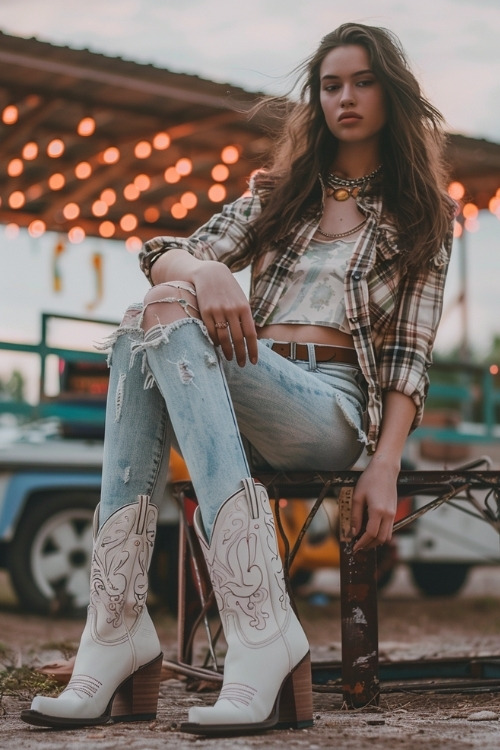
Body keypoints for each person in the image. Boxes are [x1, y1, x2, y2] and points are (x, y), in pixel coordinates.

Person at [21, 21, 453, 736]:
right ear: (315, 100)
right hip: (249, 377)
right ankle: (124, 628)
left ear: (392, 92)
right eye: (331, 85)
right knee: (146, 320)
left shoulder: (422, 212)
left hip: (336, 407)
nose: (346, 97)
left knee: (151, 321)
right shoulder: (282, 197)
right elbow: (169, 254)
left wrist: (386, 464)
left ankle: (235, 631)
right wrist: (208, 272)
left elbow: (412, 353)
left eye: (364, 81)